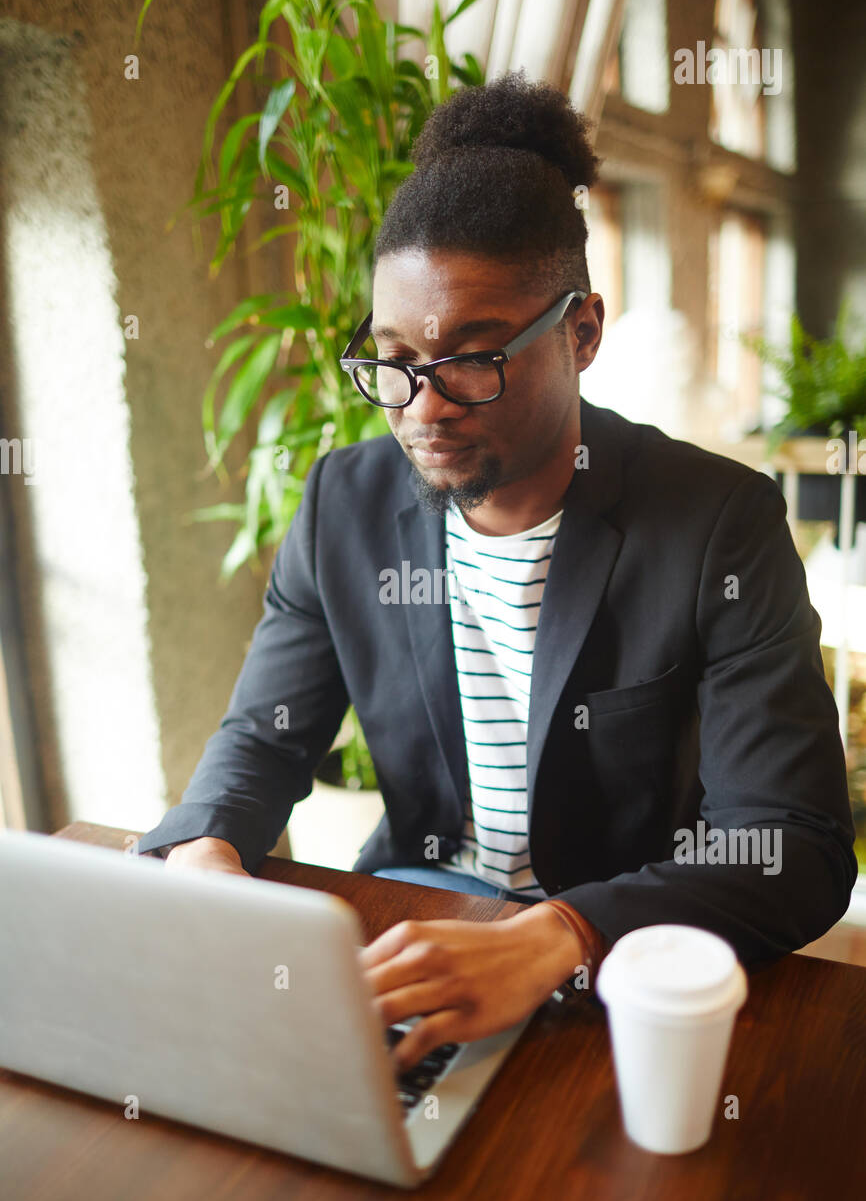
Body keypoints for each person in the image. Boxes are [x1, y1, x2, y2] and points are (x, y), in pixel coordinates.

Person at [136, 71, 856, 1073]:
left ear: (581, 332)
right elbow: (265, 736)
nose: (421, 406)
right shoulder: (342, 504)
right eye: (391, 357)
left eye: (473, 357)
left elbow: (791, 842)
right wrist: (207, 850)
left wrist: (558, 936)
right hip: (418, 916)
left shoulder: (713, 523)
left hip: (622, 962)